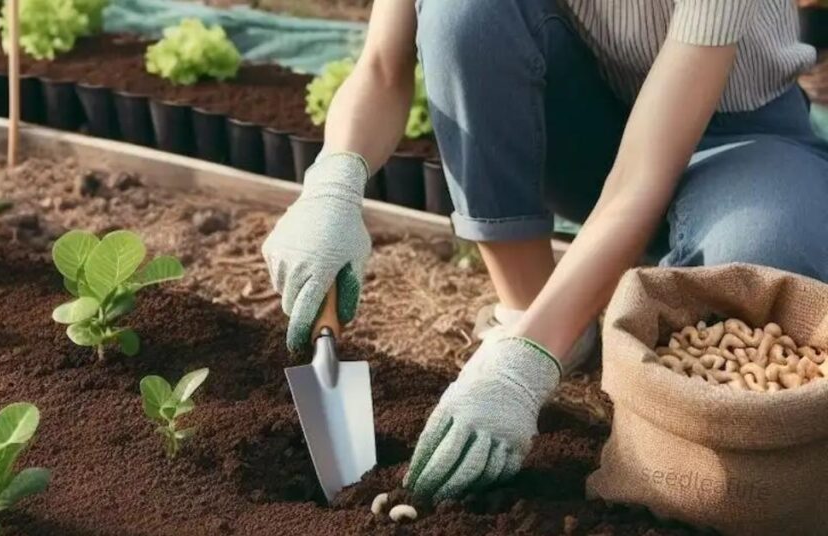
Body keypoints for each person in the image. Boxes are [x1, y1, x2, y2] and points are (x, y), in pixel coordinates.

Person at [262, 0, 828, 504]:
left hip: (741, 133)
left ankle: (556, 325)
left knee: (762, 264)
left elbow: (642, 175)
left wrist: (524, 366)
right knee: (465, 12)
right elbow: (384, 69)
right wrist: (332, 185)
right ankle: (532, 306)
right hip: (583, 118)